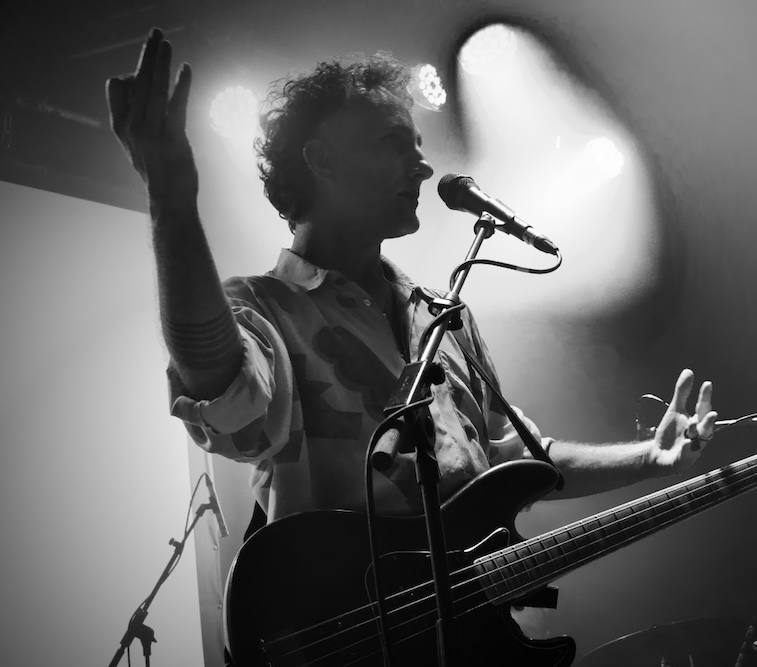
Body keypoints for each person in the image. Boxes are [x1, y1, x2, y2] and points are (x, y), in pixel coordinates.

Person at [106, 27, 716, 538]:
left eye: (419, 146)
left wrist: (648, 457)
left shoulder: (443, 317)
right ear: (322, 161)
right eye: (395, 143)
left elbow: (513, 458)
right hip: (353, 624)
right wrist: (171, 201)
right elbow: (226, 396)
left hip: (467, 622)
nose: (423, 166)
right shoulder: (267, 307)